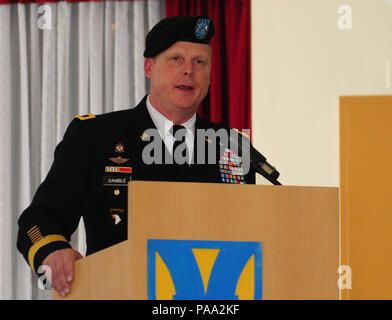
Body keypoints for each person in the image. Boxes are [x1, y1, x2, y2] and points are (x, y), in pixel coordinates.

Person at [17, 16, 255, 298]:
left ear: (210, 74)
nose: (188, 71)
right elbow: (38, 221)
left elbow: (249, 231)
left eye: (199, 62)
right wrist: (53, 251)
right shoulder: (95, 136)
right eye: (175, 59)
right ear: (149, 67)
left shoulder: (231, 146)